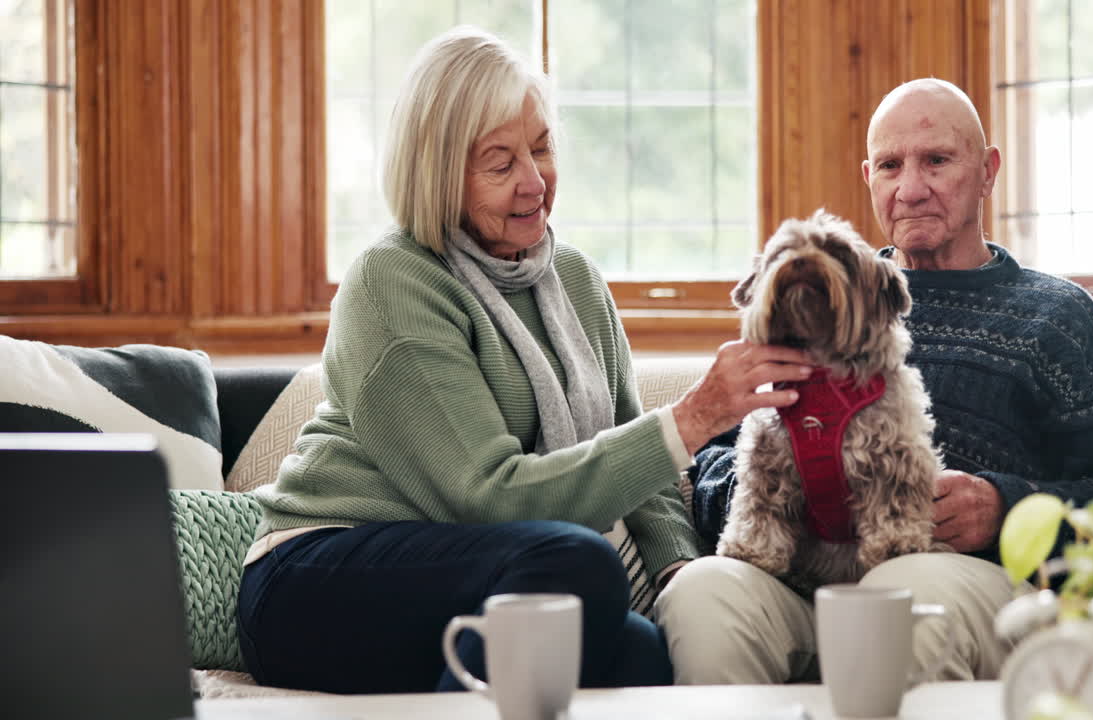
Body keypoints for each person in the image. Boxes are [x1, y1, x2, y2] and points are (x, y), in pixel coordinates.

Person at [236, 26, 812, 694]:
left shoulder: (572, 279)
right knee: (575, 562)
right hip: (318, 577)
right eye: (501, 162)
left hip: (489, 574)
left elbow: (642, 464)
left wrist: (678, 573)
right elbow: (490, 497)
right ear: (440, 172)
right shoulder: (394, 281)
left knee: (647, 656)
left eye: (540, 148)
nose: (535, 181)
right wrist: (690, 419)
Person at [655, 78, 1093, 684]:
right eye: (891, 165)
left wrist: (1006, 503)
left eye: (937, 161)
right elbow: (712, 462)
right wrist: (778, 485)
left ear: (987, 170)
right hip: (797, 578)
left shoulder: (1056, 315)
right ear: (869, 176)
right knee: (705, 593)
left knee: (905, 592)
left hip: (960, 573)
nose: (911, 189)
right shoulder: (811, 297)